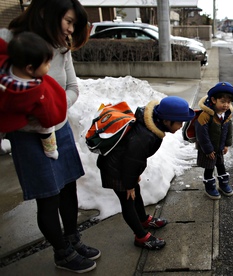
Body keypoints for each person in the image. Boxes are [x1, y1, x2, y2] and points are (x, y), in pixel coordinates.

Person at [1, 0, 100, 273]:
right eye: (68, 22)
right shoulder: (9, 41)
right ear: (46, 13)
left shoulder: (61, 48)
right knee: (48, 196)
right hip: (27, 137)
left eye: (74, 25)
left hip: (59, 127)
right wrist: (29, 114)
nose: (70, 30)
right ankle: (62, 253)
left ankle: (72, 239)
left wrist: (52, 109)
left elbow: (72, 86)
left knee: (69, 187)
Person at [96, 96, 195, 249]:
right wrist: (129, 183)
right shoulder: (144, 136)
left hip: (125, 166)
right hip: (115, 169)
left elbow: (134, 159)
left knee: (136, 192)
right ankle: (141, 237)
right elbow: (132, 160)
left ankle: (142, 219)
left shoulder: (152, 126)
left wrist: (133, 178)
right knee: (128, 201)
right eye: (178, 122)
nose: (180, 126)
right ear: (166, 121)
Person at [0, 31, 67, 160]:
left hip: (4, 115)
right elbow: (47, 115)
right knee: (46, 128)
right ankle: (51, 150)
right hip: (20, 119)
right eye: (47, 63)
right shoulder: (36, 91)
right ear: (30, 69)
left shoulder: (4, 66)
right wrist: (50, 120)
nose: (49, 66)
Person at [195, 82, 233, 199]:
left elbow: (228, 130)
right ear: (214, 100)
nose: (226, 105)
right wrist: (208, 149)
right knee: (209, 168)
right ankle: (209, 187)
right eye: (223, 102)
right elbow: (202, 135)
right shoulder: (206, 115)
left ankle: (223, 184)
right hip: (207, 148)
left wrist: (226, 144)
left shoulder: (226, 115)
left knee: (221, 166)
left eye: (228, 102)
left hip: (219, 147)